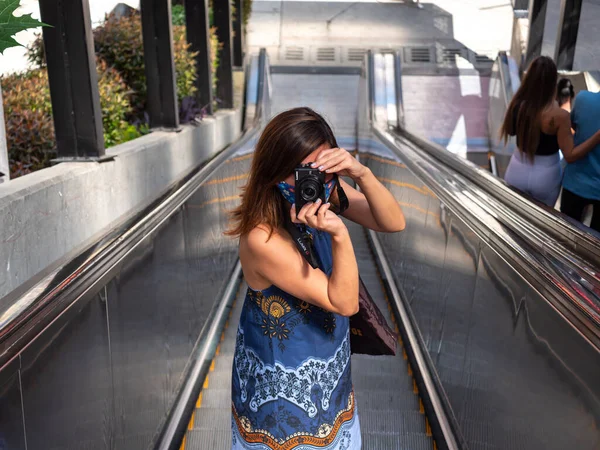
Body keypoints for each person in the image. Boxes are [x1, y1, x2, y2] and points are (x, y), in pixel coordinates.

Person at [226, 107, 405, 450]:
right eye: (302, 170)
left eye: (322, 167)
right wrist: (339, 235)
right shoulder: (261, 238)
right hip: (282, 402)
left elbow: (393, 221)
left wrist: (361, 172)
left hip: (328, 378)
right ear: (276, 170)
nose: (313, 179)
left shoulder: (327, 193)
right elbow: (345, 302)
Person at [500, 56, 600, 207]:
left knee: (512, 219)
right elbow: (570, 155)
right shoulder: (559, 116)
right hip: (546, 177)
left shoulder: (518, 105)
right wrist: (598, 135)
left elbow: (510, 130)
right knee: (541, 226)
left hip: (516, 171)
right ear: (554, 82)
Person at [561, 90, 600, 232]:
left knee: (566, 237)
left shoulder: (583, 99)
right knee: (596, 248)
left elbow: (572, 125)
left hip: (575, 183)